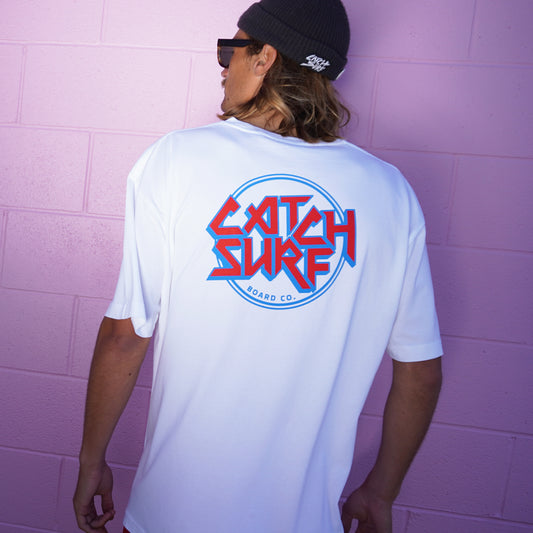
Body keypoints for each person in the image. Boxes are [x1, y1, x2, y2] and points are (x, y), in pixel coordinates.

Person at [73, 0, 443, 532]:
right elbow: (420, 370)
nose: (223, 67)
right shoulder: (391, 193)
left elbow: (125, 336)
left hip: (171, 516)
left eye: (231, 50)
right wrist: (380, 493)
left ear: (265, 58)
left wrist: (91, 459)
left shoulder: (176, 160)